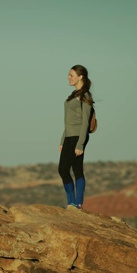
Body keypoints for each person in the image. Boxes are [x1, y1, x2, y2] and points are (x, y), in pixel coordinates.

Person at [58, 64, 94, 210]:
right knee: (73, 169)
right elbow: (68, 122)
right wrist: (62, 140)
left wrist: (80, 144)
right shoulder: (73, 95)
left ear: (80, 77)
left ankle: (75, 202)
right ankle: (74, 203)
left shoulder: (85, 96)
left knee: (64, 169)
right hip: (68, 137)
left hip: (78, 137)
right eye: (68, 75)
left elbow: (85, 122)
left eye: (71, 75)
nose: (68, 77)